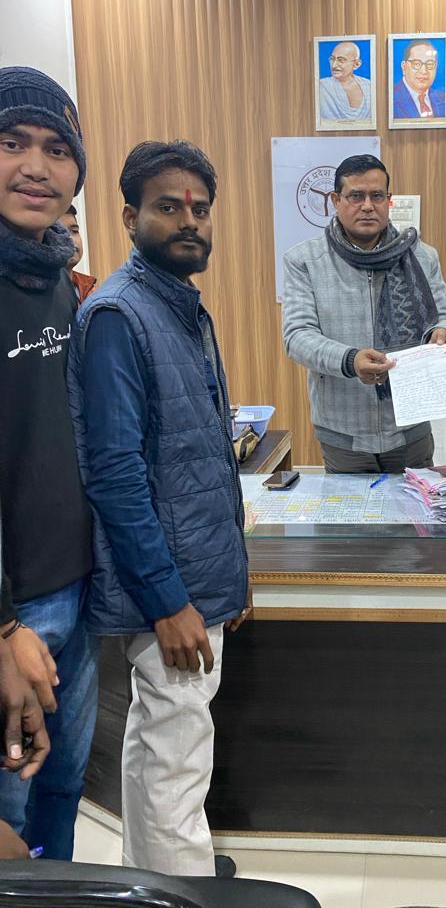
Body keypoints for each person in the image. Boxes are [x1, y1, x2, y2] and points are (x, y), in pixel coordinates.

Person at [68, 140, 249, 877]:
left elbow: (199, 455)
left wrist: (230, 574)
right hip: (167, 589)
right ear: (128, 217)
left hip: (196, 574)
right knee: (176, 762)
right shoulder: (119, 314)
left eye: (200, 209)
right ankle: (182, 889)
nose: (189, 221)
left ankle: (152, 883)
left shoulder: (178, 304)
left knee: (162, 746)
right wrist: (169, 601)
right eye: (168, 207)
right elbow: (114, 474)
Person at [0, 66, 97, 861]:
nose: (36, 166)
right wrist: (3, 629)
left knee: (61, 792)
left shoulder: (60, 282)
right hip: (13, 615)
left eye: (57, 149)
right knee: (11, 813)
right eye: (11, 142)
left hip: (76, 590)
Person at [282, 153, 446, 473]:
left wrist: (444, 332)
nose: (367, 206)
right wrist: (350, 360)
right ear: (336, 201)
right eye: (356, 196)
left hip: (410, 427)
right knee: (350, 508)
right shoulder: (305, 261)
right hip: (343, 432)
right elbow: (297, 337)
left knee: (415, 506)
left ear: (388, 201)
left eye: (377, 196)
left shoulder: (421, 256)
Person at [318, 41, 373, 124]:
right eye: (332, 59)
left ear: (356, 64)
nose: (334, 65)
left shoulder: (369, 86)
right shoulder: (322, 86)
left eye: (341, 60)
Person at [392, 40, 445, 119]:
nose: (424, 71)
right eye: (416, 64)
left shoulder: (444, 99)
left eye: (430, 64)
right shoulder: (390, 98)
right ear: (404, 67)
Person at [59, 205, 97, 304]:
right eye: (60, 232)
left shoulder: (88, 288)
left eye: (74, 231)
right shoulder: (36, 293)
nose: (71, 239)